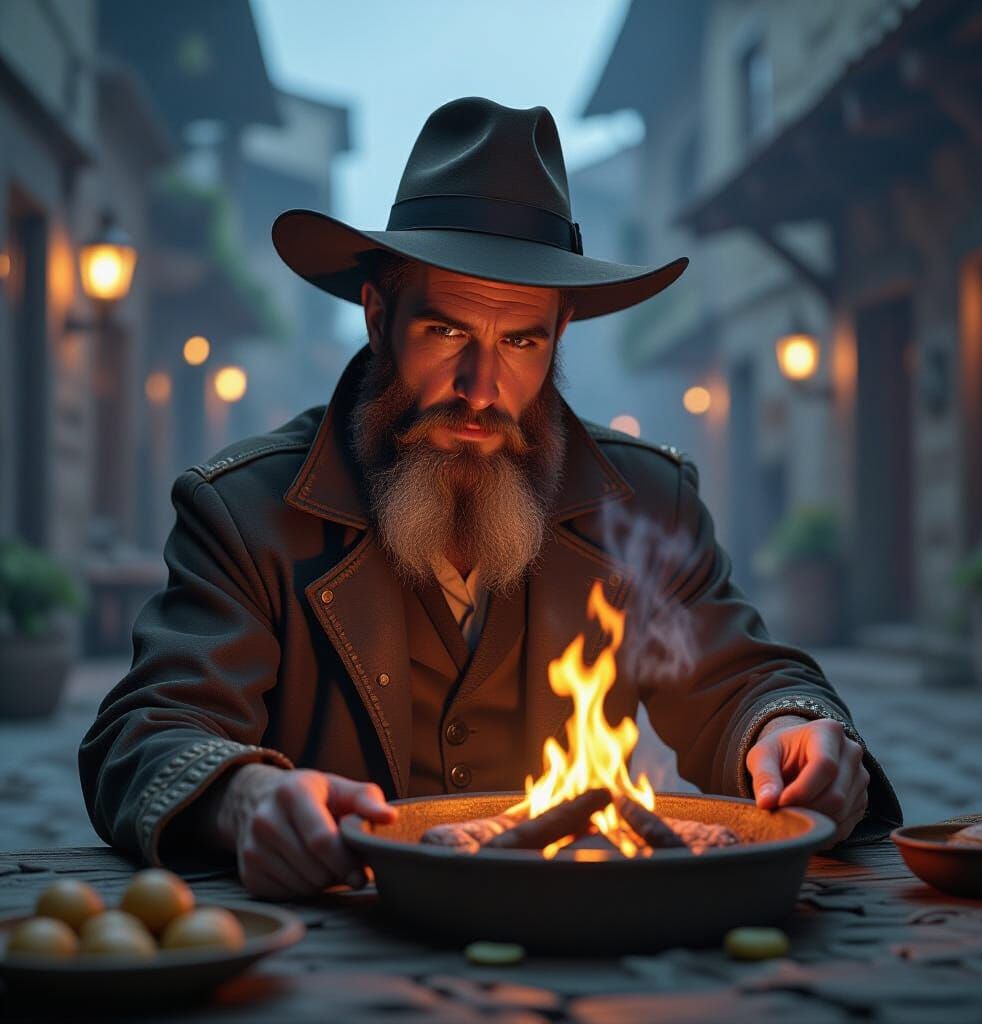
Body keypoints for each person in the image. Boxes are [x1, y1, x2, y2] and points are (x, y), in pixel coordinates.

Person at [80, 97, 902, 899]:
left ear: (558, 337)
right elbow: (148, 732)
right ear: (377, 315)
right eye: (446, 333)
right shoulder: (247, 510)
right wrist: (240, 798)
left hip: (584, 944)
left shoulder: (647, 501)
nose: (481, 388)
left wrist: (788, 732)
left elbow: (738, 681)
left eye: (520, 341)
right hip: (338, 942)